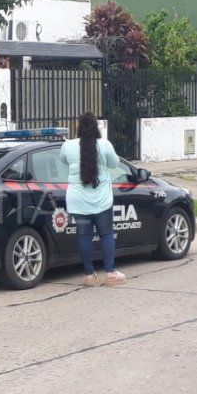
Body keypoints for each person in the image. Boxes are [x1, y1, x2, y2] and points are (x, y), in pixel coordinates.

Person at [58, 113, 127, 287]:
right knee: (106, 234)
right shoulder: (104, 145)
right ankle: (110, 273)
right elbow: (115, 163)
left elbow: (63, 160)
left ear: (78, 127)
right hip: (101, 200)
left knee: (84, 236)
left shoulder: (68, 146)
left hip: (77, 201)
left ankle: (89, 275)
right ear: (96, 127)